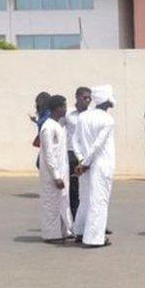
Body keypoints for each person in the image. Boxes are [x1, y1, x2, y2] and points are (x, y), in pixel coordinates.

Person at [72, 85, 116, 247]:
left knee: (85, 199)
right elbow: (98, 145)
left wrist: (81, 160)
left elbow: (75, 141)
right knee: (99, 201)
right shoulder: (108, 120)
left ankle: (80, 231)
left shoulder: (83, 117)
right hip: (100, 165)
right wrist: (85, 162)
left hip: (85, 165)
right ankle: (95, 238)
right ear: (106, 99)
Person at [38, 95, 73, 243]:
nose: (66, 109)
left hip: (61, 171)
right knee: (51, 204)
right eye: (64, 106)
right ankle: (50, 235)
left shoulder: (58, 125)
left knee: (63, 202)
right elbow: (48, 153)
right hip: (52, 174)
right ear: (57, 108)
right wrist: (56, 176)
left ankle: (65, 231)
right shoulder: (48, 127)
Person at [63, 86, 92, 219]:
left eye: (89, 98)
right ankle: (75, 220)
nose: (88, 100)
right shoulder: (68, 113)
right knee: (74, 190)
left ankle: (92, 220)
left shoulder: (92, 114)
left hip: (87, 155)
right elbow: (57, 129)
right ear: (77, 96)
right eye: (85, 97)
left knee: (90, 190)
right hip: (71, 154)